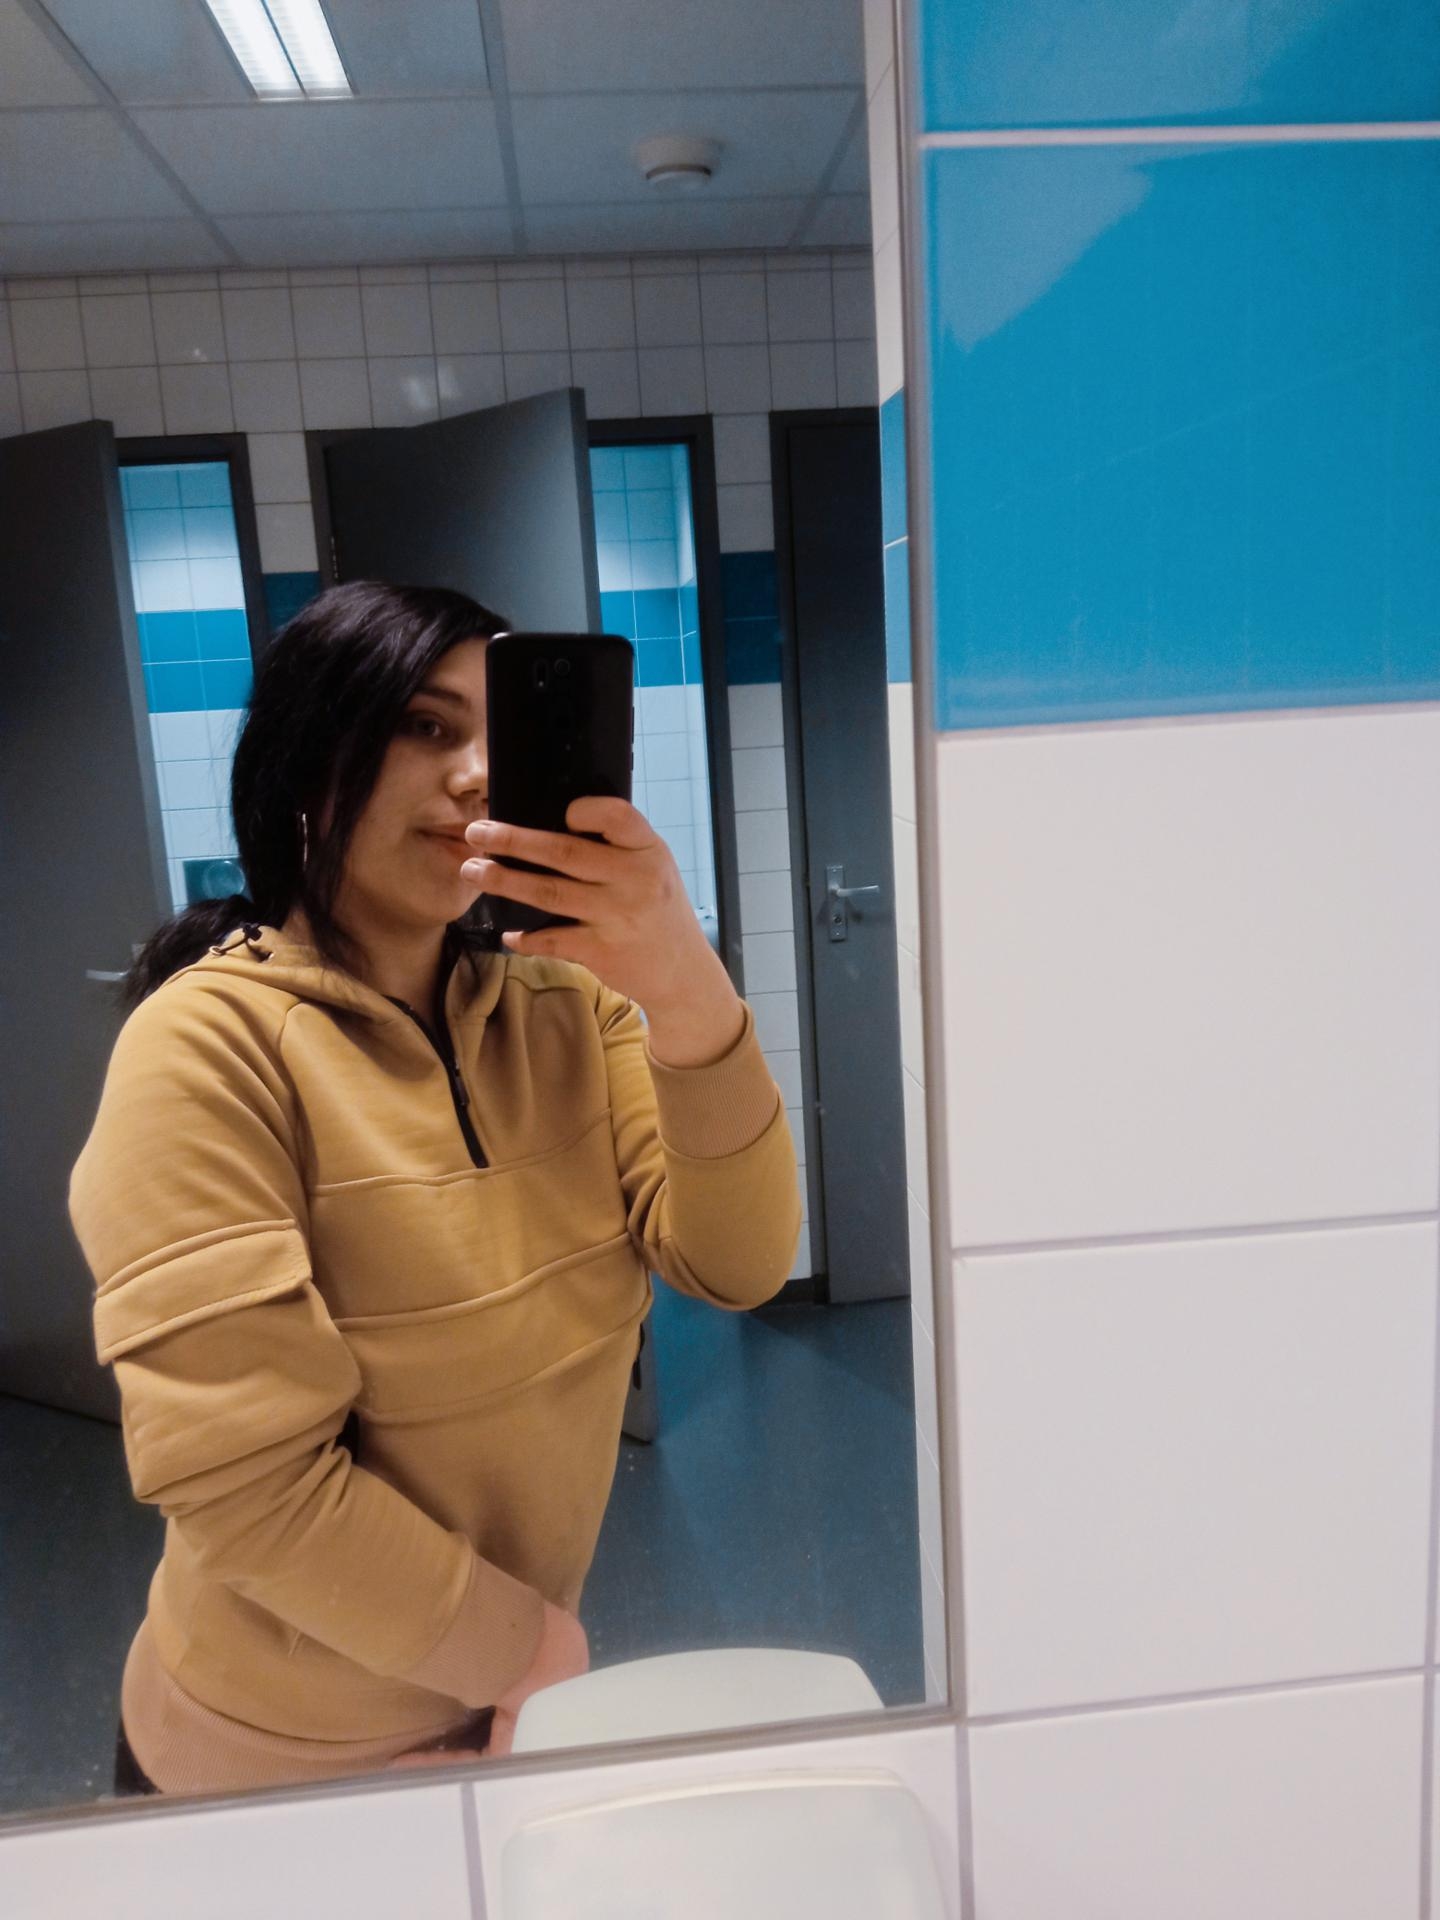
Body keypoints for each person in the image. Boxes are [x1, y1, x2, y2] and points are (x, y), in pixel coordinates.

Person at [70, 581, 801, 1797]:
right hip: (262, 1761)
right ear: (309, 767)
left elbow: (738, 1262)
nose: (476, 774)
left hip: (500, 1715)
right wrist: (536, 1655)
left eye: (499, 736)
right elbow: (247, 1490)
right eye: (425, 725)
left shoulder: (570, 1010)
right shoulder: (204, 1051)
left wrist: (686, 988)